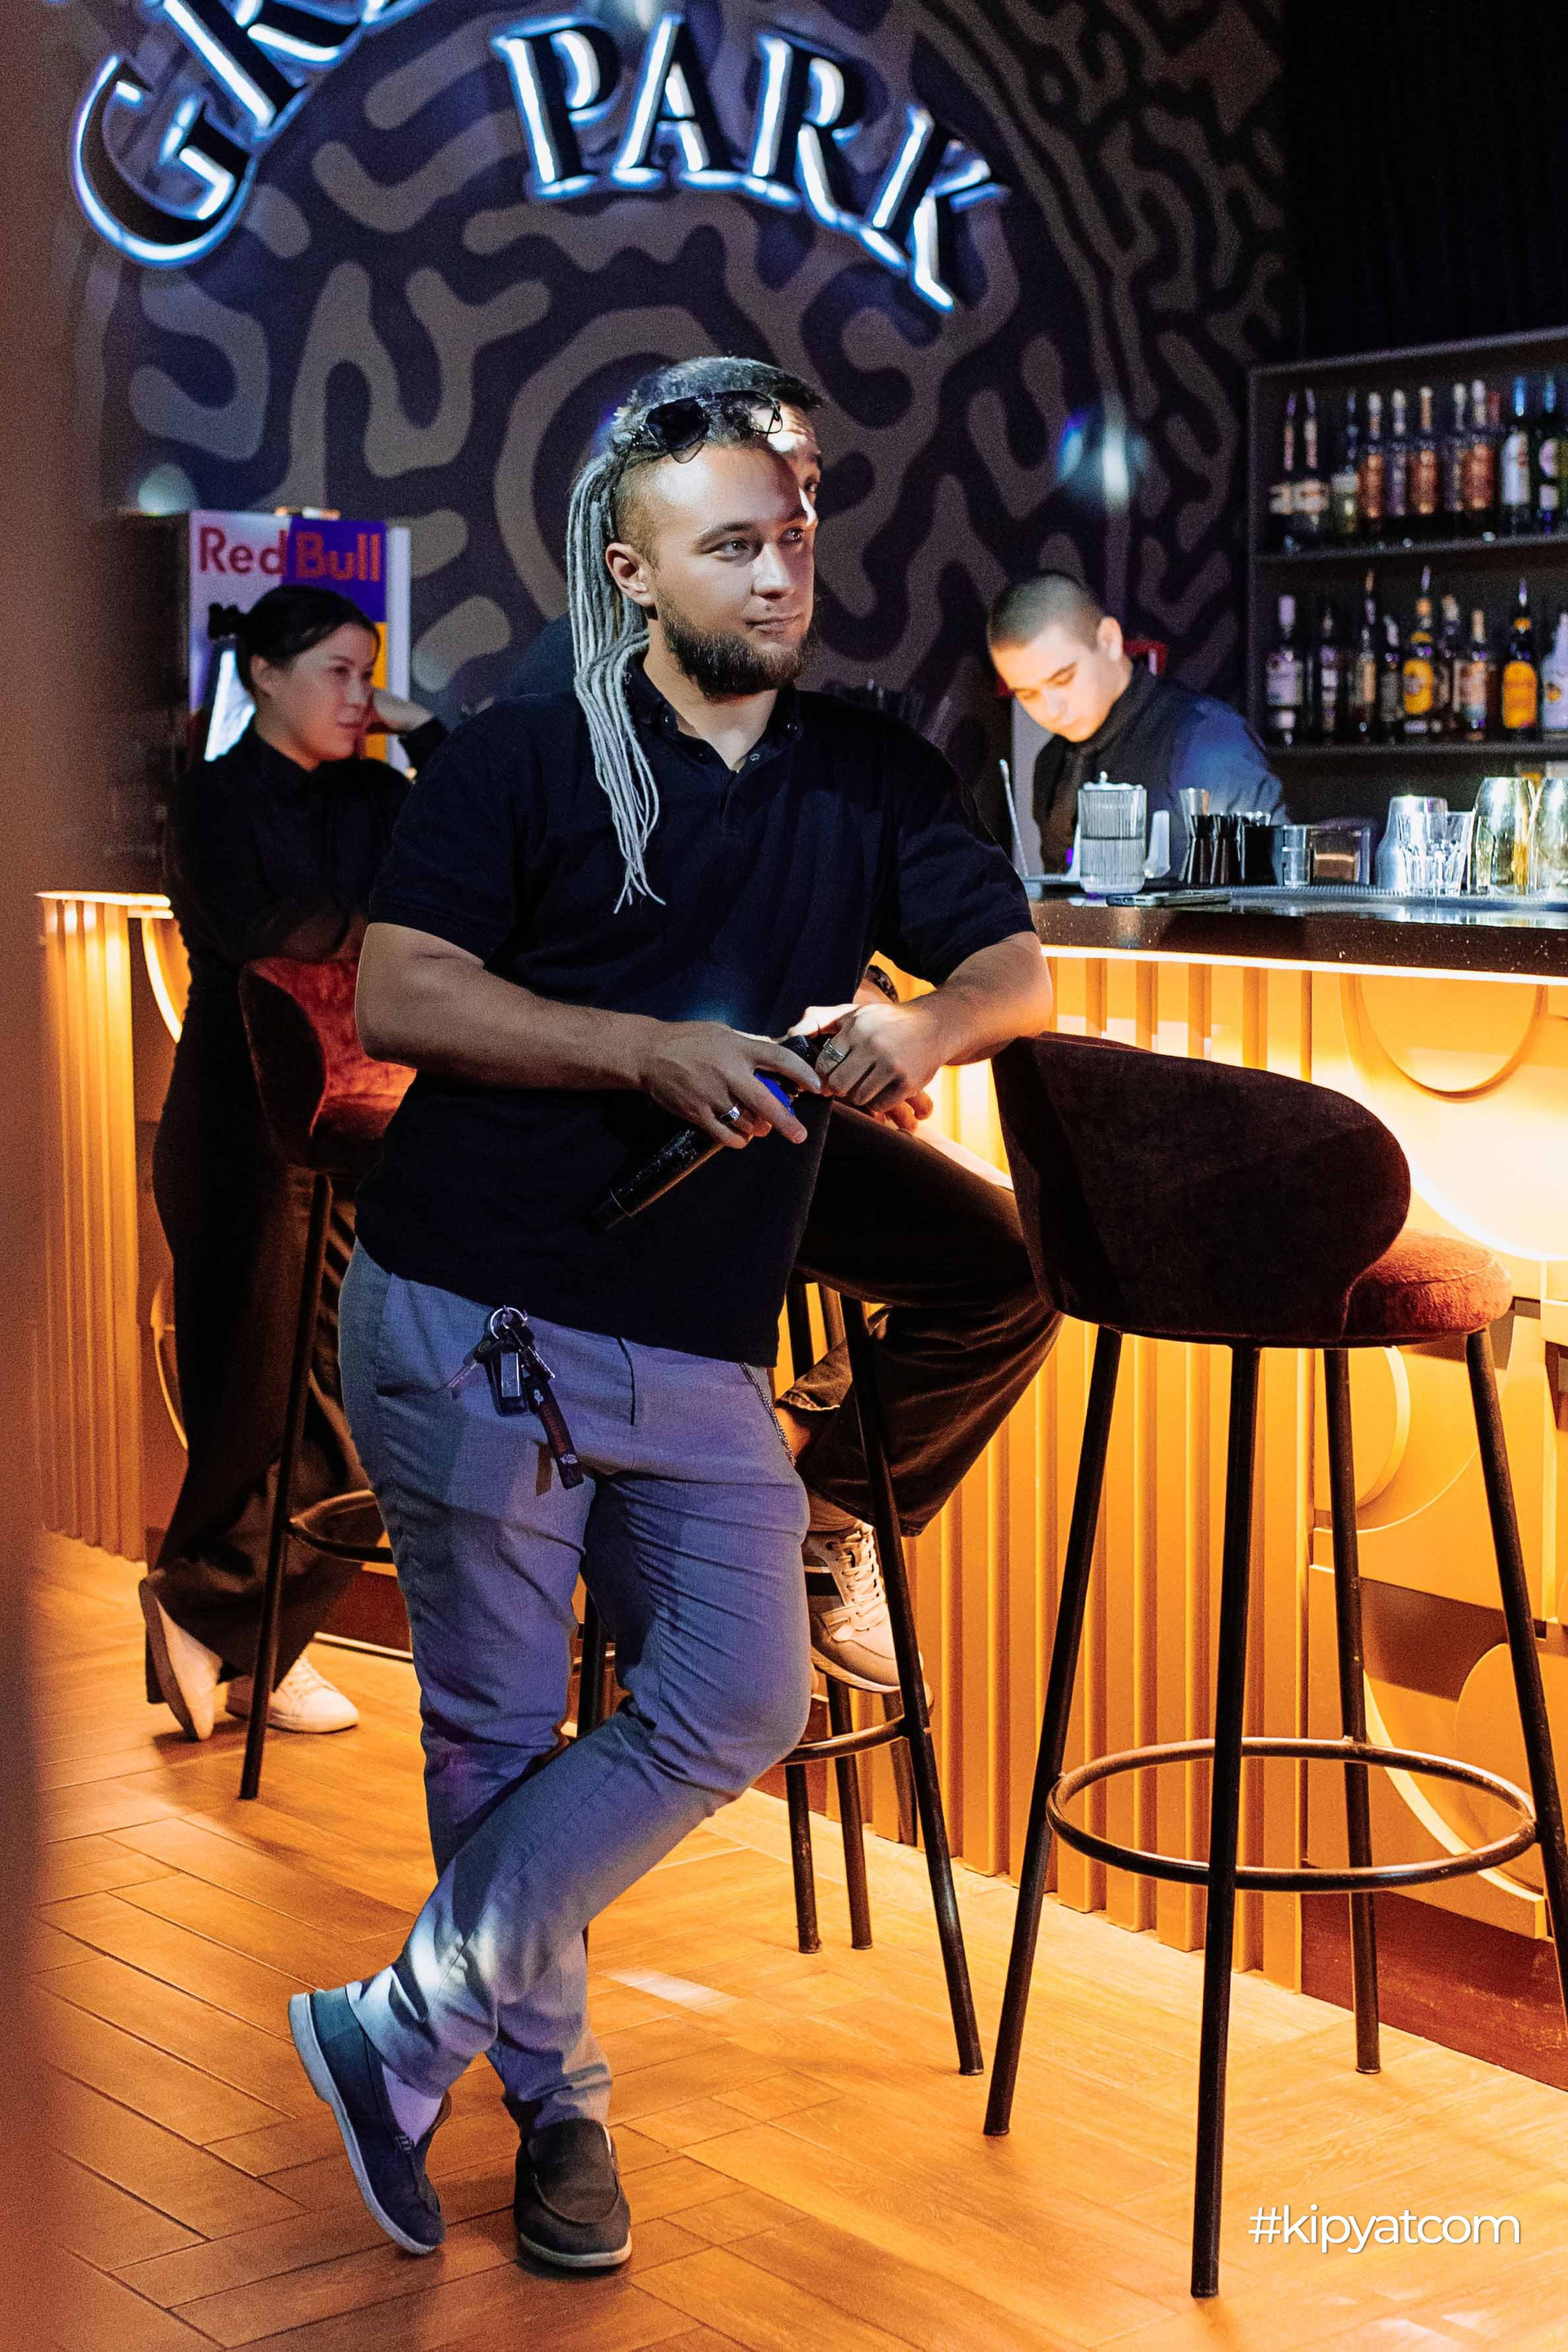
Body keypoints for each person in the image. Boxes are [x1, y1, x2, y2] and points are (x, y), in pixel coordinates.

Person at [287, 390, 1053, 2272]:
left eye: (793, 536)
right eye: (731, 545)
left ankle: (395, 2029)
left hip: (695, 1337)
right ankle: (561, 2114)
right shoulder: (522, 751)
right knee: (494, 1736)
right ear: (630, 570)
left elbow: (1012, 962)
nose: (779, 573)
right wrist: (645, 1049)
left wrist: (924, 1024)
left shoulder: (869, 769)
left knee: (742, 1695)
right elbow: (402, 993)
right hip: (475, 1300)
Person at [513, 355, 1060, 1692]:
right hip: (599, 1154)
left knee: (1015, 1267)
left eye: (805, 491)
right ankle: (742, 1519)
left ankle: (815, 1500)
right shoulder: (559, 708)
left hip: (751, 1126)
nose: (793, 519)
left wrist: (898, 1025)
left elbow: (998, 969)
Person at [140, 586, 443, 1741]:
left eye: (371, 671)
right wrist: (389, 929)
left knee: (356, 1395)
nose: (361, 696)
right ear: (263, 674)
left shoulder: (380, 793)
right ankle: (229, 1622)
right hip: (240, 1123)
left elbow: (483, 851)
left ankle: (233, 1624)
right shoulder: (212, 796)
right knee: (251, 1393)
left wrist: (421, 727)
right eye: (337, 672)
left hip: (362, 1120)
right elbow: (268, 930)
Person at [987, 570, 1285, 873]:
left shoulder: (1204, 740)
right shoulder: (1050, 763)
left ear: (1109, 639)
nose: (1051, 710)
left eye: (1063, 679)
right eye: (1027, 694)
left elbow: (1267, 888)